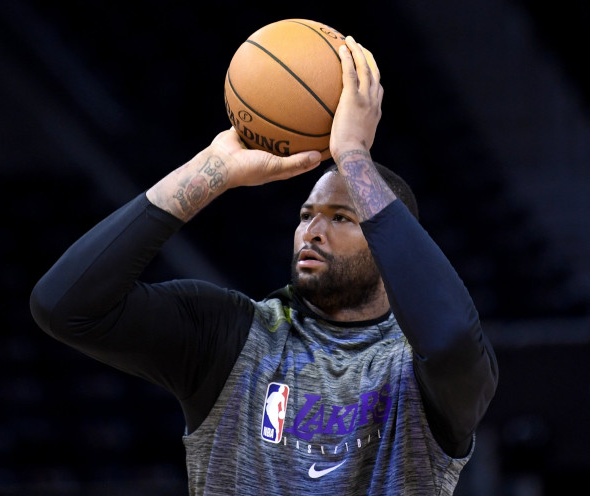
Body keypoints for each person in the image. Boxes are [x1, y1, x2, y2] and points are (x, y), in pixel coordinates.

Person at [30, 36, 498, 495]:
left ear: (388, 241)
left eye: (341, 217)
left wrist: (354, 157)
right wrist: (210, 169)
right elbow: (64, 306)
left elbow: (453, 338)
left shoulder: (418, 372)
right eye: (306, 215)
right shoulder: (229, 336)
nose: (312, 230)